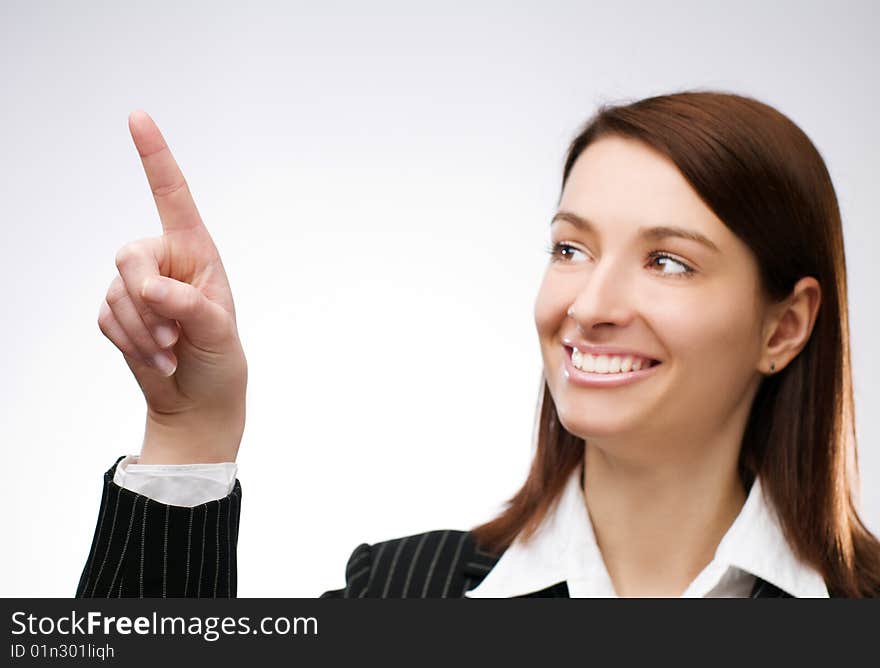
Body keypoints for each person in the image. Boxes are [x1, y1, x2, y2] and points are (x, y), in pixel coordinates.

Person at [76, 90, 880, 599]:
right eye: (572, 249)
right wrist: (188, 434)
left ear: (784, 327)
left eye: (667, 261)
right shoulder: (397, 596)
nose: (589, 305)